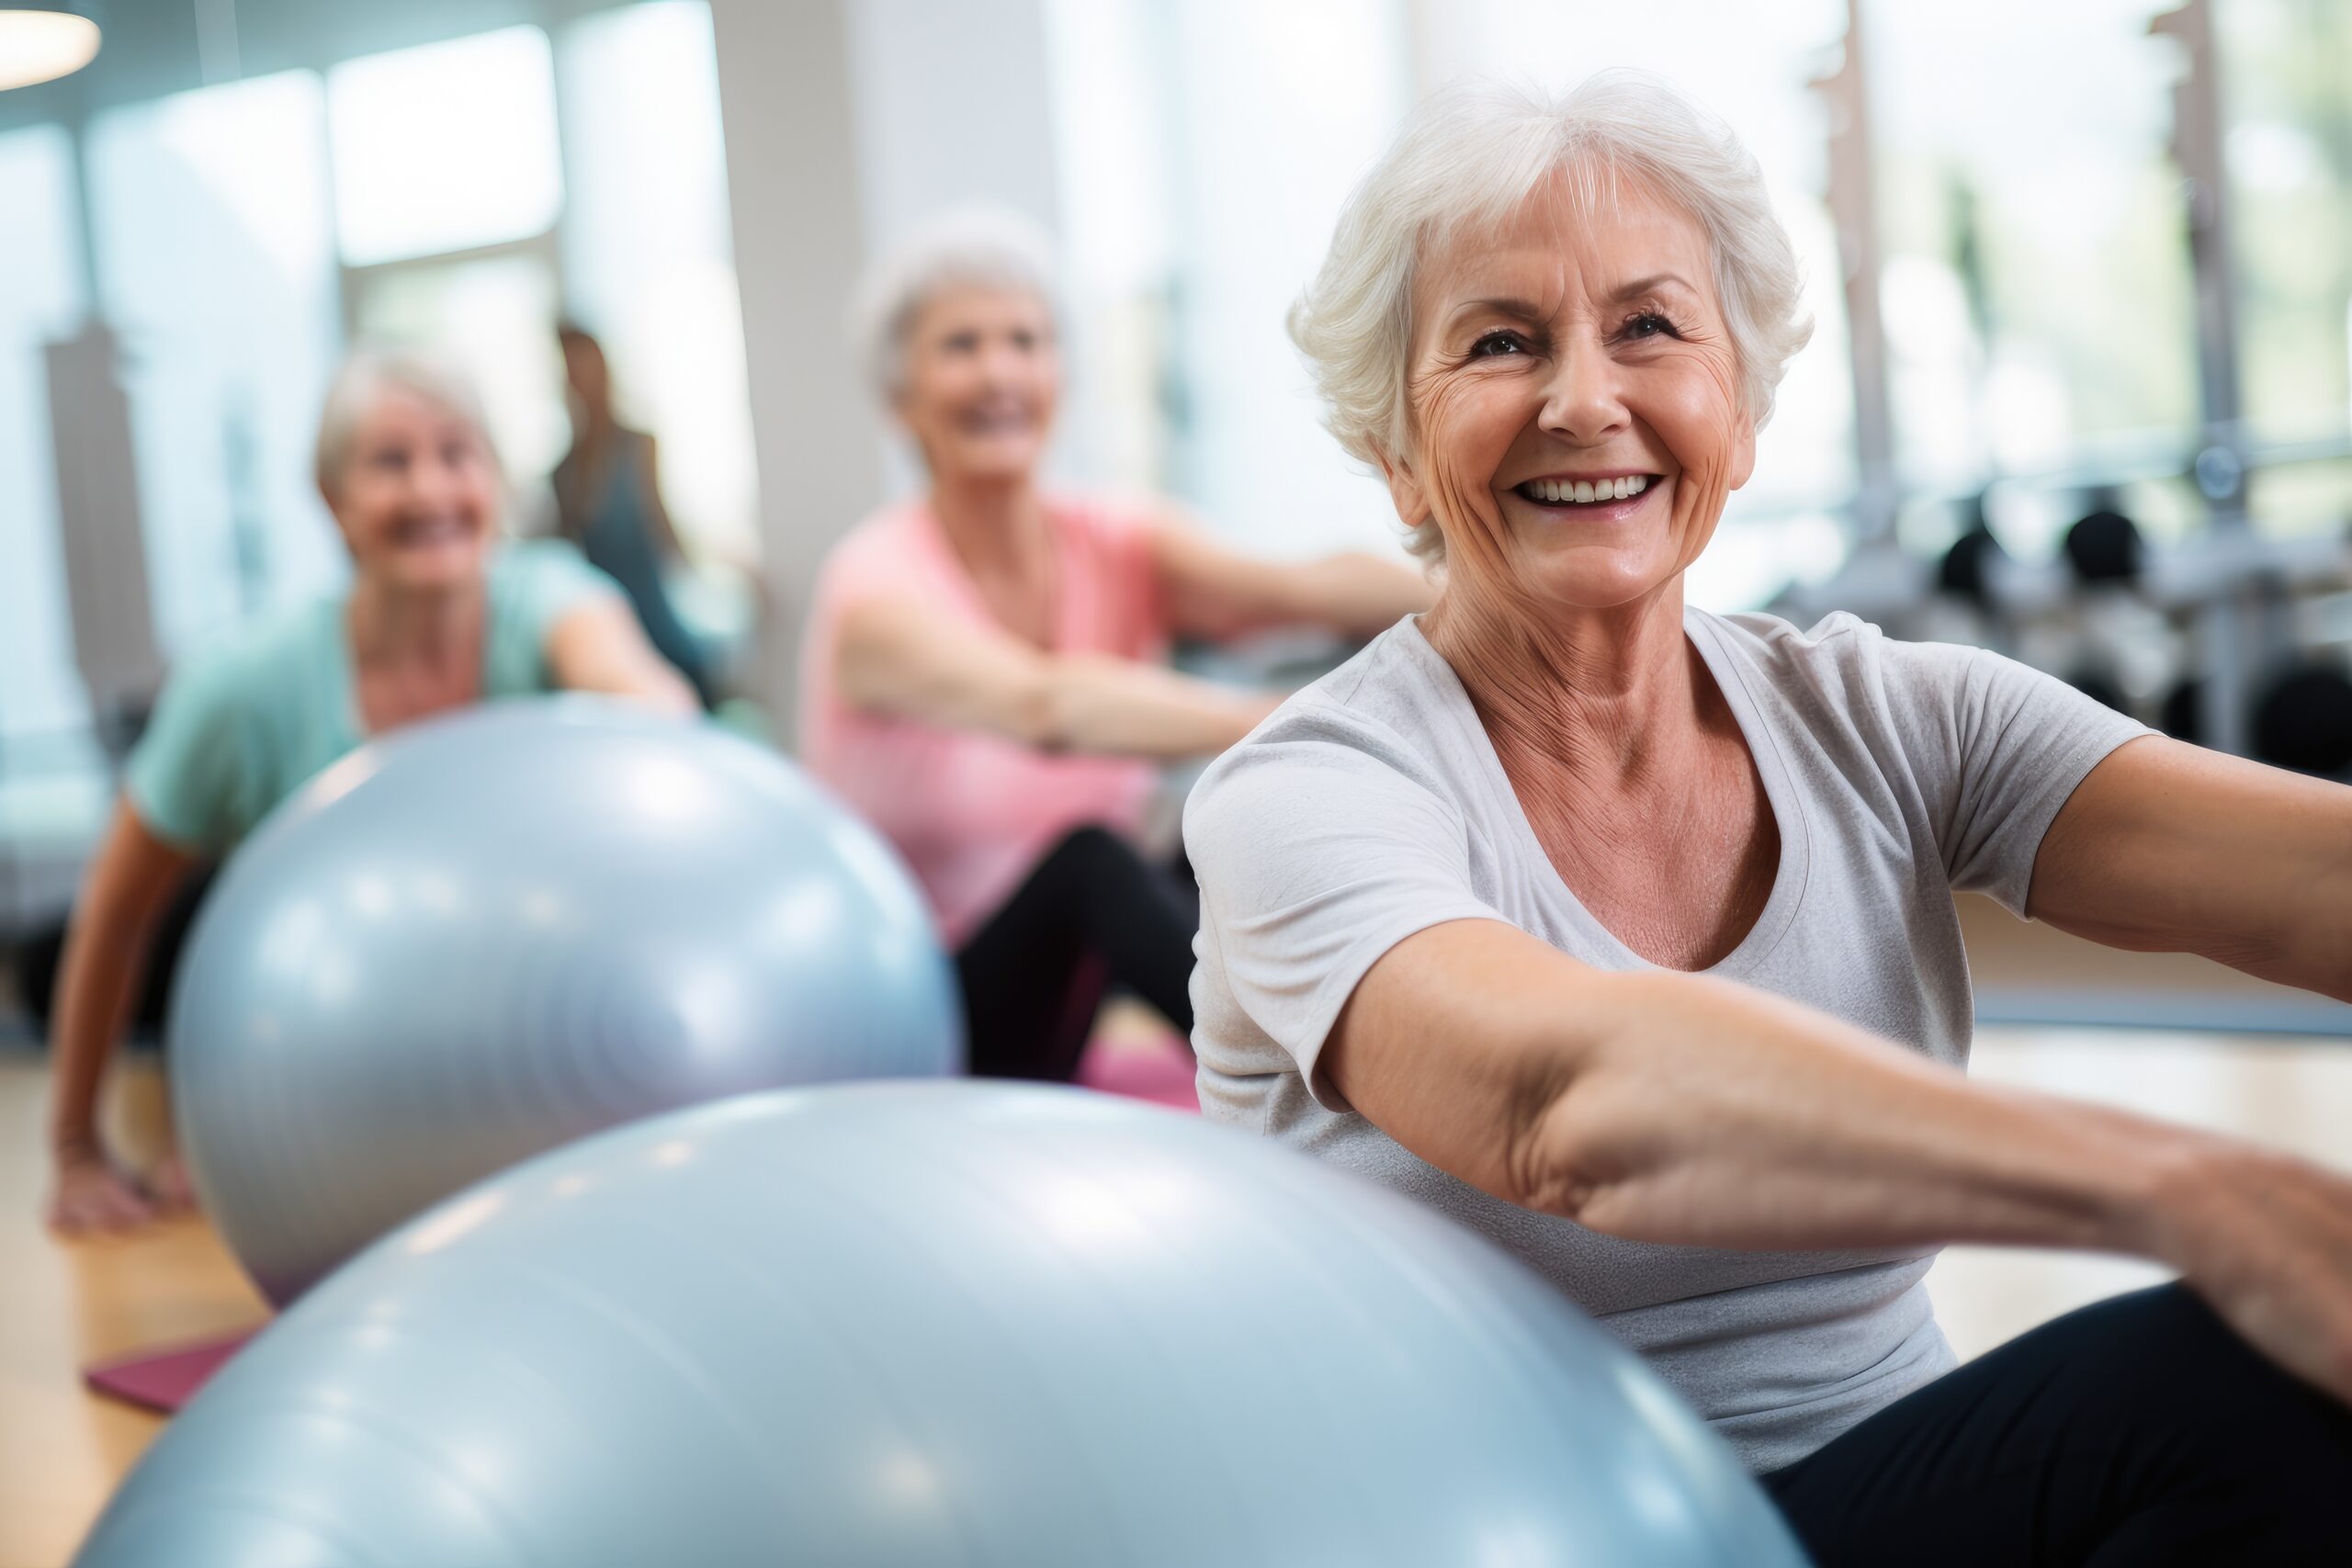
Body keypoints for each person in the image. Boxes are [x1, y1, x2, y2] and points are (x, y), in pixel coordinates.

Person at [1183, 73, 2352, 1564]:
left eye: (1651, 328)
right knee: (2231, 1377)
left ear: (1737, 407)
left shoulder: (1889, 716)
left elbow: (2317, 877)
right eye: (1500, 342)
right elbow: (1567, 1106)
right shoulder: (1311, 794)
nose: (1585, 399)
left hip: (1895, 1501)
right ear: (1393, 446)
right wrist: (2190, 1191)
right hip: (1513, 1530)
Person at [44, 348, 696, 1235]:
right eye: (390, 462)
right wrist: (78, 1149)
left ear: (495, 481)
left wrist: (642, 711)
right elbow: (116, 910)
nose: (430, 490)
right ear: (332, 498)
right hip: (319, 1081)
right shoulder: (243, 686)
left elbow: (642, 696)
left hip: (518, 1060)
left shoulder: (548, 604)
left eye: (457, 455)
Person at [802, 209, 1430, 1082]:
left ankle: (1424, 1018)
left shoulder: (1113, 540)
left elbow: (1300, 587)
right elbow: (1046, 703)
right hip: (921, 1018)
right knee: (1093, 860)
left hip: (1065, 1002)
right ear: (901, 394)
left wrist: (1484, 596)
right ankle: (1338, 1089)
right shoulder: (872, 588)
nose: (999, 372)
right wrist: (1309, 719)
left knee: (1238, 822)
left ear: (1061, 369)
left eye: (1025, 340)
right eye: (961, 346)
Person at [552, 323, 718, 708]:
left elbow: (664, 526)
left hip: (655, 618)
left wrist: (712, 575)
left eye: (582, 363)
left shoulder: (639, 446)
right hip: (604, 628)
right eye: (568, 367)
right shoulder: (562, 473)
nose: (577, 377)